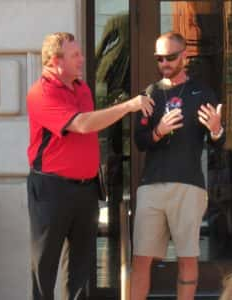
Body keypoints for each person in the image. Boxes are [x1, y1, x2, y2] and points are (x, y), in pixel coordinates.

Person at [26, 32, 154, 300]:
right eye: (75, 55)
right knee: (45, 266)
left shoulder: (82, 88)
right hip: (51, 188)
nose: (83, 59)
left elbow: (91, 124)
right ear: (54, 60)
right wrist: (128, 106)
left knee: (82, 268)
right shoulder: (41, 92)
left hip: (86, 188)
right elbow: (82, 124)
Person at [130, 31, 225, 300]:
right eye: (159, 58)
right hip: (152, 185)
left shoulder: (202, 92)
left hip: (189, 185)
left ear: (184, 56)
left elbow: (219, 142)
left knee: (187, 257)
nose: (164, 64)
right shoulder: (150, 93)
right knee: (141, 258)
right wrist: (158, 131)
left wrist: (217, 129)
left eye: (170, 57)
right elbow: (140, 141)